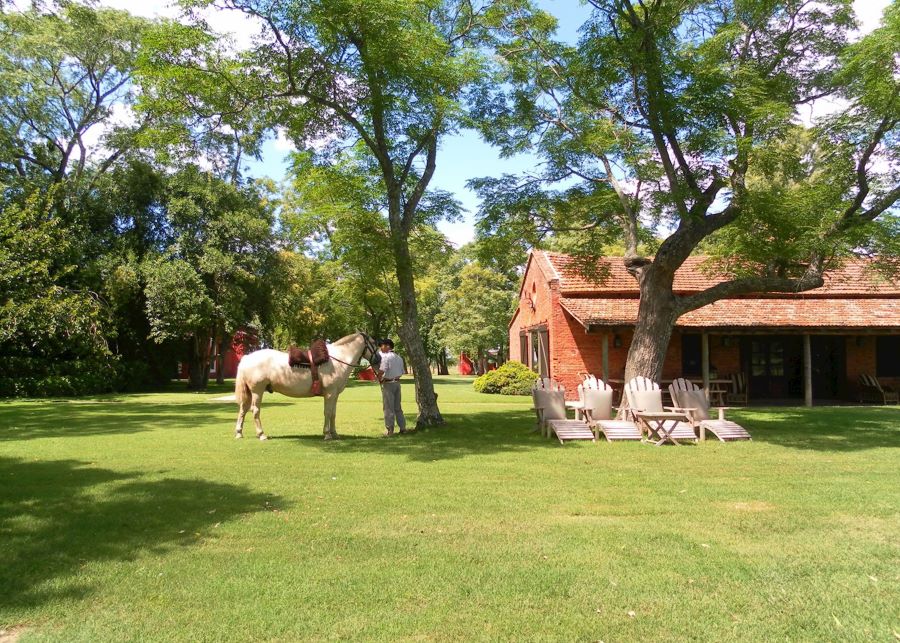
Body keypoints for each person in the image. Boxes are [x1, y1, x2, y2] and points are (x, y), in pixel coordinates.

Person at [376, 338, 406, 436]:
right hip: (397, 383)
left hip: (388, 384)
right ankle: (402, 428)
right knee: (398, 407)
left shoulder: (386, 357)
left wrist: (379, 378)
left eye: (382, 345)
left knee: (388, 408)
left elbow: (381, 371)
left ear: (388, 346)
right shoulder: (399, 358)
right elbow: (402, 372)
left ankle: (390, 430)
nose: (381, 348)